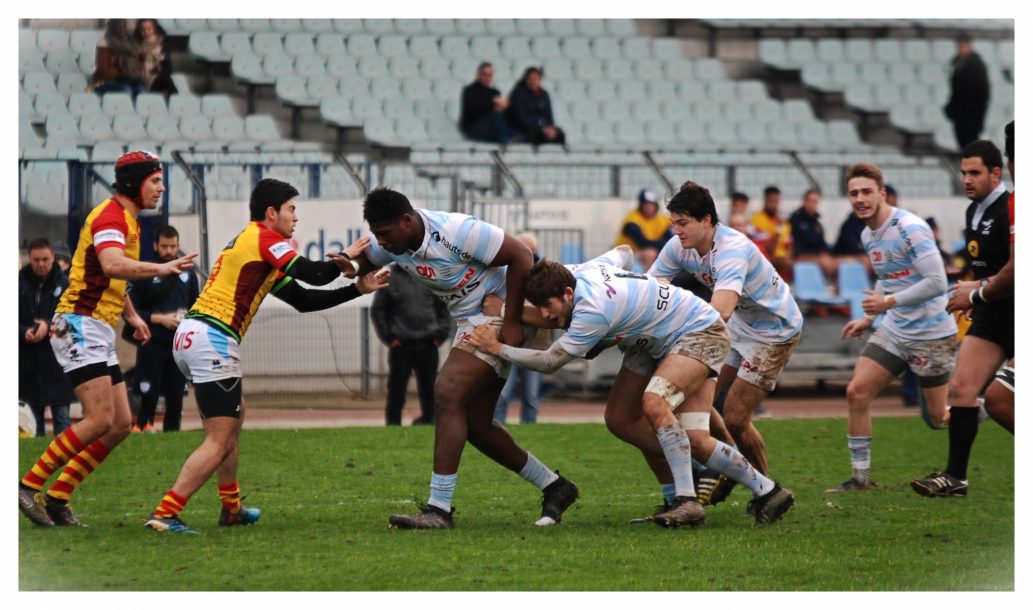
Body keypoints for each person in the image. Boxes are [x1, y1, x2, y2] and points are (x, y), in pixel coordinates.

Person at [467, 255, 795, 527]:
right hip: (654, 340)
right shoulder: (579, 272)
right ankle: (767, 491)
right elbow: (622, 251)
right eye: (539, 307)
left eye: (549, 306)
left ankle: (686, 500)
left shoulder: (592, 309)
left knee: (654, 403)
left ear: (568, 293)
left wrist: (497, 347)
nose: (546, 315)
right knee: (623, 419)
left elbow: (550, 361)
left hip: (699, 332)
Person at [144, 178, 389, 535]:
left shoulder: (257, 249)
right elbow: (316, 275)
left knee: (234, 418)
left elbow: (305, 300)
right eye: (291, 209)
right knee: (219, 437)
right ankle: (166, 512)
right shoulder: (263, 238)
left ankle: (231, 507)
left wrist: (356, 288)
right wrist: (348, 255)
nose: (296, 217)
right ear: (271, 213)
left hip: (195, 335)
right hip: (212, 338)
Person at [331, 187, 579, 529]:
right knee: (476, 425)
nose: (381, 242)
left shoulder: (458, 231)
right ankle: (555, 486)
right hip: (469, 318)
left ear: (406, 221)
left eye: (385, 234)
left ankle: (439, 509)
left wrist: (510, 321)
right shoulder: (394, 241)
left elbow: (521, 254)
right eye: (376, 234)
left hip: (493, 311)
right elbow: (366, 260)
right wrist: (353, 264)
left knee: (447, 391)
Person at [18, 150, 198, 528]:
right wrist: (162, 267)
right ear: (134, 183)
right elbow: (113, 265)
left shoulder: (128, 220)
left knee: (119, 424)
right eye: (155, 180)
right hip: (78, 324)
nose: (161, 188)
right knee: (100, 418)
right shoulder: (111, 217)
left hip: (96, 326)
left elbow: (114, 279)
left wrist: (132, 316)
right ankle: (26, 485)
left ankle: (58, 496)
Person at [648, 181, 803, 496]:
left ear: (707, 220)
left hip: (775, 331)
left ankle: (768, 491)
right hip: (742, 326)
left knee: (735, 416)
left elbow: (722, 309)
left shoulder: (732, 249)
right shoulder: (679, 245)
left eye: (683, 223)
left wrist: (677, 329)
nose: (676, 231)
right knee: (697, 391)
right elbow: (650, 289)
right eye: (673, 223)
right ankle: (728, 465)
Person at [826, 163, 958, 493]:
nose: (860, 198)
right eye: (854, 193)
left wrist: (886, 305)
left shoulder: (909, 228)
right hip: (896, 330)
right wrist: (869, 319)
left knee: (938, 418)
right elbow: (888, 279)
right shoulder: (867, 234)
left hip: (931, 334)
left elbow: (937, 283)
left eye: (867, 191)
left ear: (882, 194)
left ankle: (994, 406)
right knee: (856, 392)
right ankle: (860, 479)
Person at [911, 139, 1012, 497]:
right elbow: (988, 266)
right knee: (961, 390)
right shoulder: (975, 211)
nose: (966, 179)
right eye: (963, 172)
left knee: (1001, 399)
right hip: (992, 312)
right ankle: (956, 478)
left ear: (996, 173)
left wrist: (978, 290)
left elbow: (1015, 271)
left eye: (975, 173)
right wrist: (975, 290)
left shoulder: (1008, 210)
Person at [127, 225, 200, 433]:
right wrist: (158, 318)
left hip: (179, 346)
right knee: (148, 396)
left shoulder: (188, 274)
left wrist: (186, 318)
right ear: (155, 246)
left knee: (175, 398)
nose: (169, 251)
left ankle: (172, 437)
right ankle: (143, 430)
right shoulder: (146, 272)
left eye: (173, 246)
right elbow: (131, 310)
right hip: (152, 343)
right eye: (164, 246)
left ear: (178, 246)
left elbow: (196, 308)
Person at [371, 263, 452, 426]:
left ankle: (431, 420)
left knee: (430, 388)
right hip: (401, 346)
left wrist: (440, 335)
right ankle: (393, 425)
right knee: (396, 390)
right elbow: (378, 311)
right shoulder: (389, 277)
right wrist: (389, 338)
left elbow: (444, 308)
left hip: (429, 344)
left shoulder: (430, 276)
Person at [19, 238, 75, 437]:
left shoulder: (66, 284)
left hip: (57, 362)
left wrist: (48, 325)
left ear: (53, 258)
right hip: (27, 363)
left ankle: (65, 459)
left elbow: (72, 318)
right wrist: (23, 331)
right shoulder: (18, 284)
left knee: (62, 417)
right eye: (36, 260)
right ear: (29, 259)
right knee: (32, 421)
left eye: (45, 259)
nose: (41, 264)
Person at [493, 232, 546, 425]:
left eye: (532, 252)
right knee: (503, 393)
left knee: (531, 395)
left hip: (535, 344)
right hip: (511, 341)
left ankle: (529, 428)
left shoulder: (544, 276)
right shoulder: (507, 275)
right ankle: (497, 426)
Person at [944, 33, 990, 151]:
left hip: (972, 115)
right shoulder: (957, 63)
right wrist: (951, 107)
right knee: (963, 146)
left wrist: (979, 118)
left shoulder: (977, 65)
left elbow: (983, 94)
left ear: (969, 46)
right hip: (960, 114)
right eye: (959, 46)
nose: (960, 49)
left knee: (970, 147)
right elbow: (956, 91)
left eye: (963, 46)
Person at [614, 189, 674, 271]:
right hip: (625, 255)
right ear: (641, 205)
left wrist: (665, 246)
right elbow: (643, 243)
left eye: (652, 204)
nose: (649, 207)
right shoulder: (632, 218)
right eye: (646, 204)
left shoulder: (661, 219)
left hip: (644, 252)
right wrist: (664, 245)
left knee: (669, 252)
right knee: (649, 253)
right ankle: (649, 279)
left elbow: (671, 238)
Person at [506, 66, 565, 146]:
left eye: (535, 78)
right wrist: (540, 128)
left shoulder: (544, 94)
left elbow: (549, 115)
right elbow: (520, 118)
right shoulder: (518, 94)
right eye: (530, 78)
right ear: (526, 79)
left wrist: (550, 128)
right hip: (524, 130)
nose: (533, 81)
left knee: (559, 134)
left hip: (541, 129)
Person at [459, 62, 513, 145]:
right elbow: (474, 109)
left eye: (490, 75)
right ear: (478, 75)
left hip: (492, 127)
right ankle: (505, 137)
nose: (487, 77)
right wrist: (493, 102)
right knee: (497, 114)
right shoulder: (469, 90)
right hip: (473, 128)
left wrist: (502, 106)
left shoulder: (494, 92)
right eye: (484, 74)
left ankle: (506, 136)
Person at [788, 188, 836, 277]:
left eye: (815, 202)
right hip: (800, 256)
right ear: (804, 201)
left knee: (835, 261)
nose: (812, 205)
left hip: (816, 256)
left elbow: (822, 244)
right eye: (810, 201)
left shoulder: (817, 223)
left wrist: (825, 253)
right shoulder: (795, 220)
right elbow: (795, 246)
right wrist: (818, 257)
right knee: (826, 264)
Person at [91, 18, 145, 96]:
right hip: (105, 82)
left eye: (124, 26)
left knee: (141, 89)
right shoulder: (104, 43)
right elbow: (104, 71)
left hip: (126, 80)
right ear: (112, 28)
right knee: (126, 90)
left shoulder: (130, 43)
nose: (123, 30)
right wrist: (124, 72)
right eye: (119, 27)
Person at [749, 186, 793, 279]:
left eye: (776, 202)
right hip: (765, 259)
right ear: (765, 201)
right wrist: (778, 230)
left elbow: (789, 246)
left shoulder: (783, 222)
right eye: (771, 201)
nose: (774, 205)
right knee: (786, 264)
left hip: (783, 259)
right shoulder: (757, 220)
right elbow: (769, 249)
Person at [133, 18, 178, 97]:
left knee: (167, 81)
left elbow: (168, 68)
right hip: (140, 80)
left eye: (149, 29)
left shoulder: (162, 46)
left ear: (155, 29)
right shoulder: (134, 47)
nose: (146, 32)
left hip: (156, 79)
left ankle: (174, 104)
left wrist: (156, 72)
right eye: (142, 30)